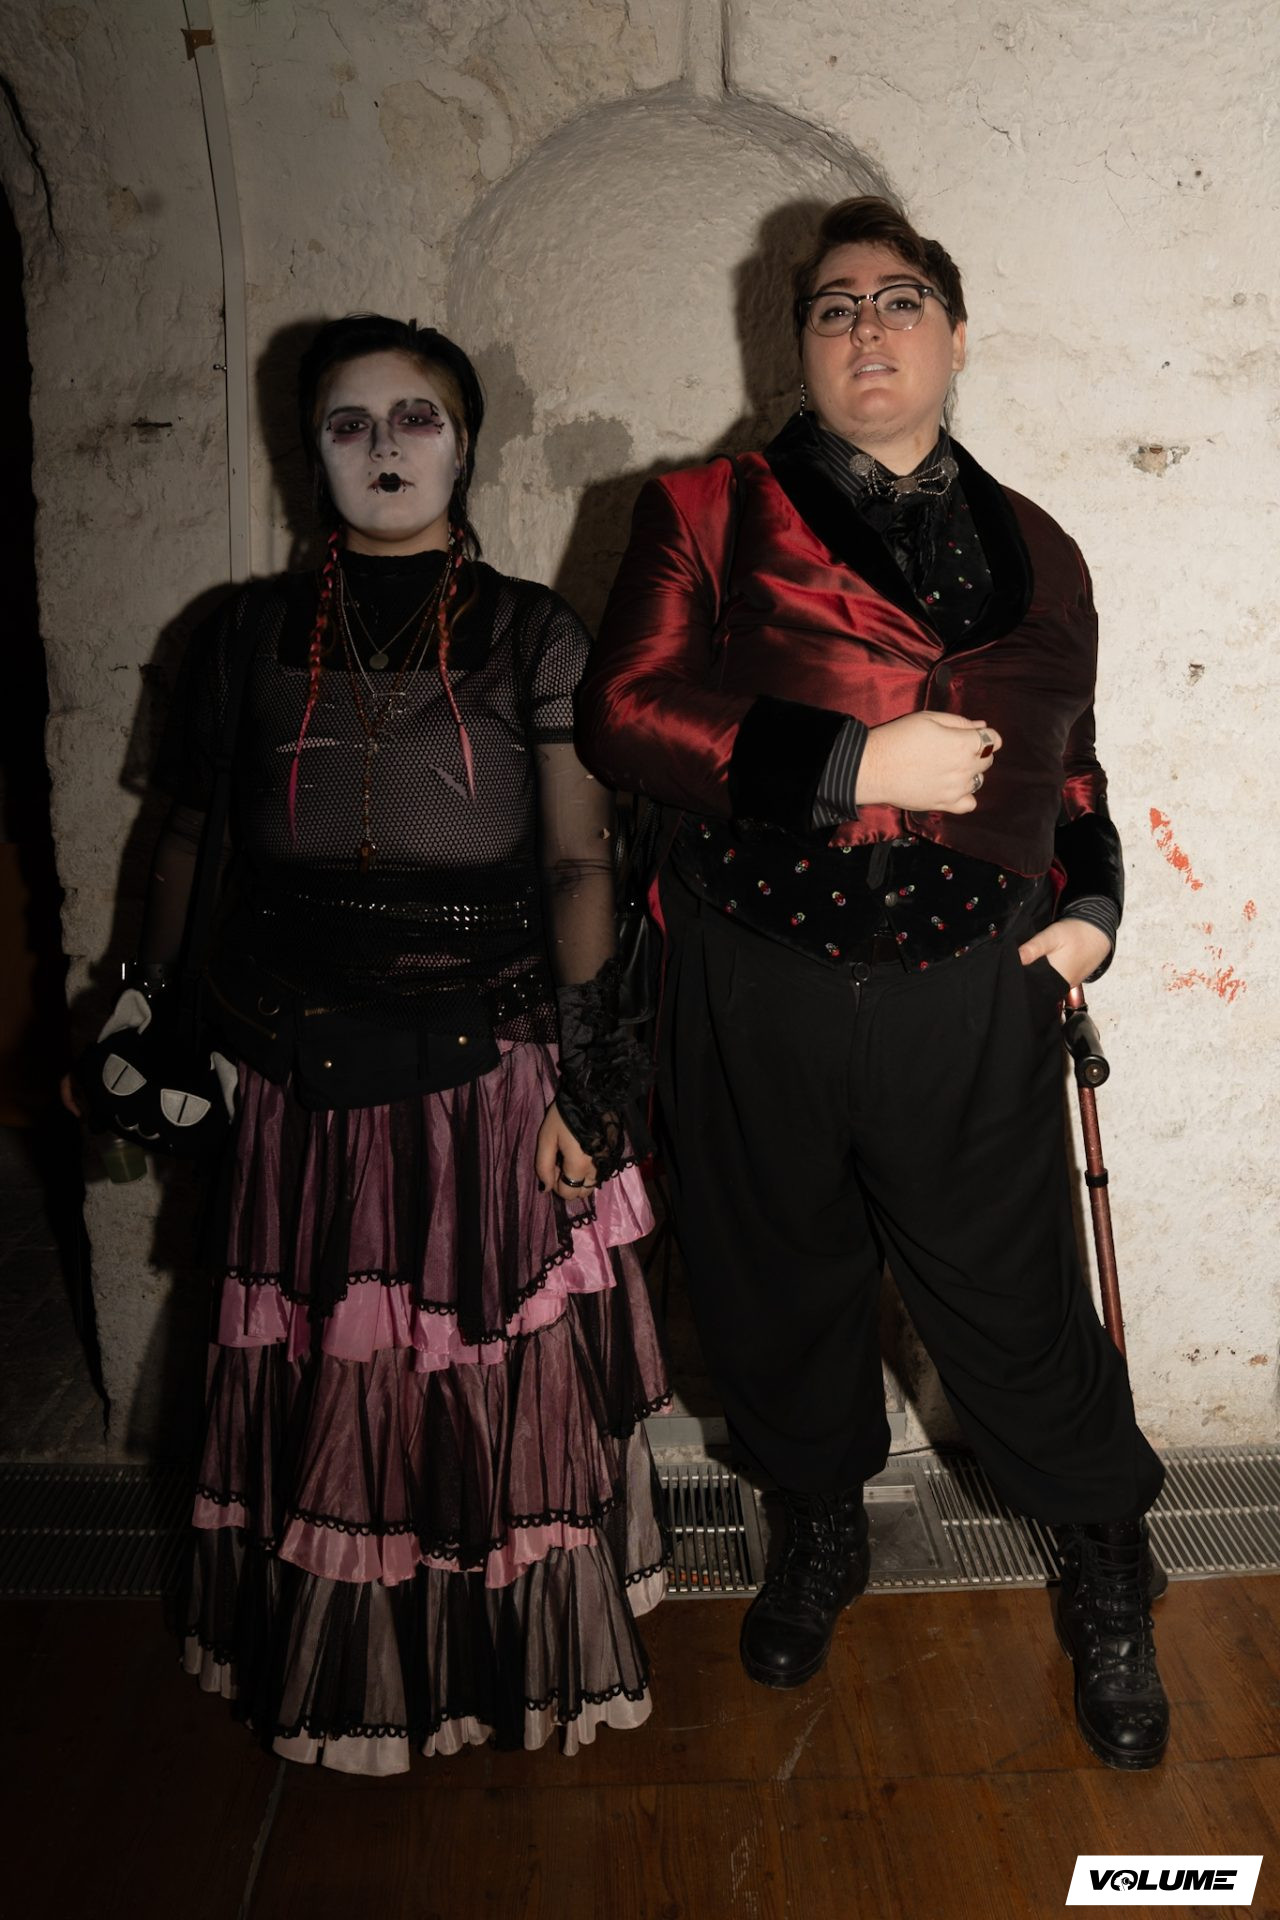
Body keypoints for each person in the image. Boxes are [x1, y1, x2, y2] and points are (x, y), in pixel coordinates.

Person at [576, 198, 1169, 1770]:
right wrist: (846, 763)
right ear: (802, 345)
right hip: (751, 972)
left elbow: (1072, 764)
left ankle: (1109, 1565)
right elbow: (622, 712)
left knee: (1017, 1303)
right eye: (835, 308)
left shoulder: (1044, 542)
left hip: (967, 988)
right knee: (775, 1288)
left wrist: (1093, 906)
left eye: (900, 302)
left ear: (955, 336)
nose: (868, 330)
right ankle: (819, 1526)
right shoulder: (706, 508)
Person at [93, 315, 668, 1772]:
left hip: (490, 1074)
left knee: (480, 1379)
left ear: (466, 447)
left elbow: (581, 866)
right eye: (350, 424)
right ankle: (359, 1668)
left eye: (418, 418)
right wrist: (145, 1006)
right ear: (313, 453)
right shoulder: (238, 635)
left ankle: (493, 1665)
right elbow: (189, 838)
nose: (386, 448)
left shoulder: (534, 633)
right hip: (301, 1081)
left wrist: (589, 1081)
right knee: (336, 1377)